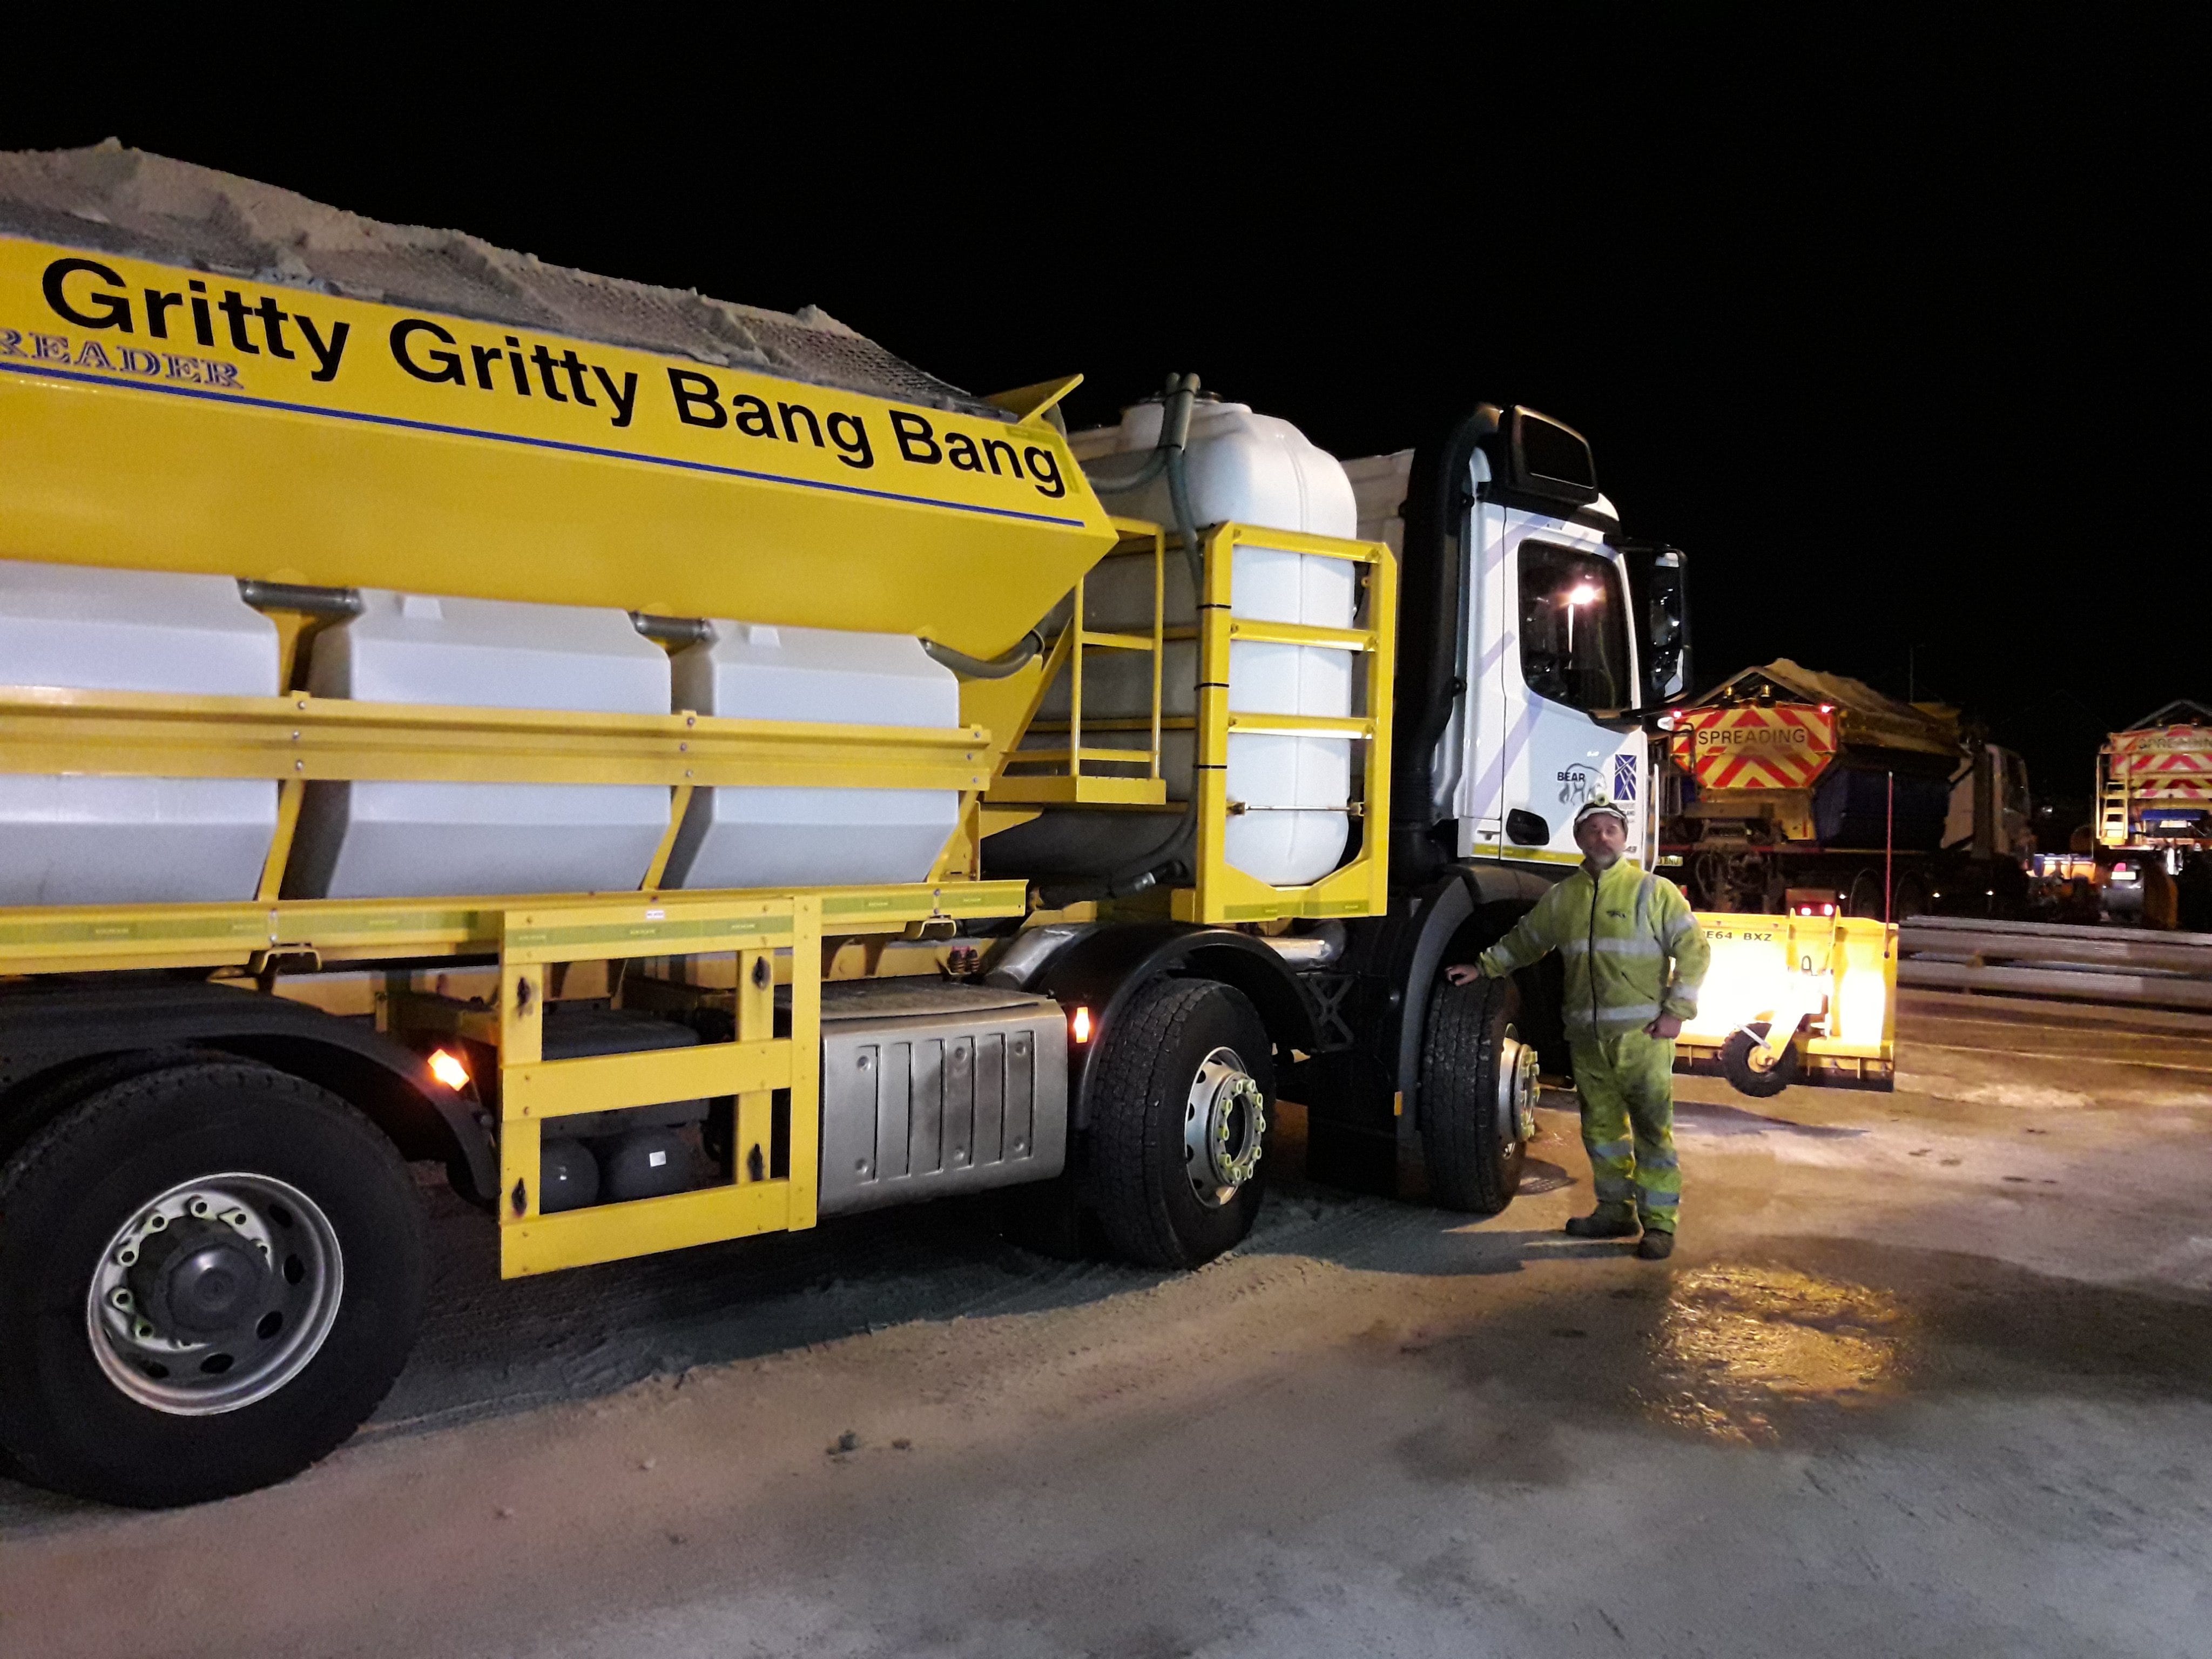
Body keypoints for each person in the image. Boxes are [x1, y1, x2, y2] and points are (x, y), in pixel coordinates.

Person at [1446, 799, 1710, 1260]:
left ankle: (1660, 1225)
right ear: (1579, 839)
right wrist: (1483, 968)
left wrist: (1677, 1012)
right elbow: (1527, 941)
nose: (1602, 837)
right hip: (1588, 1042)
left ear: (1624, 838)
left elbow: (1693, 950)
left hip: (1642, 1037)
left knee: (1652, 1133)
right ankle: (1614, 1211)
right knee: (1603, 1133)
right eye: (1593, 830)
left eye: (1611, 829)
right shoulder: (1564, 897)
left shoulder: (1654, 891)